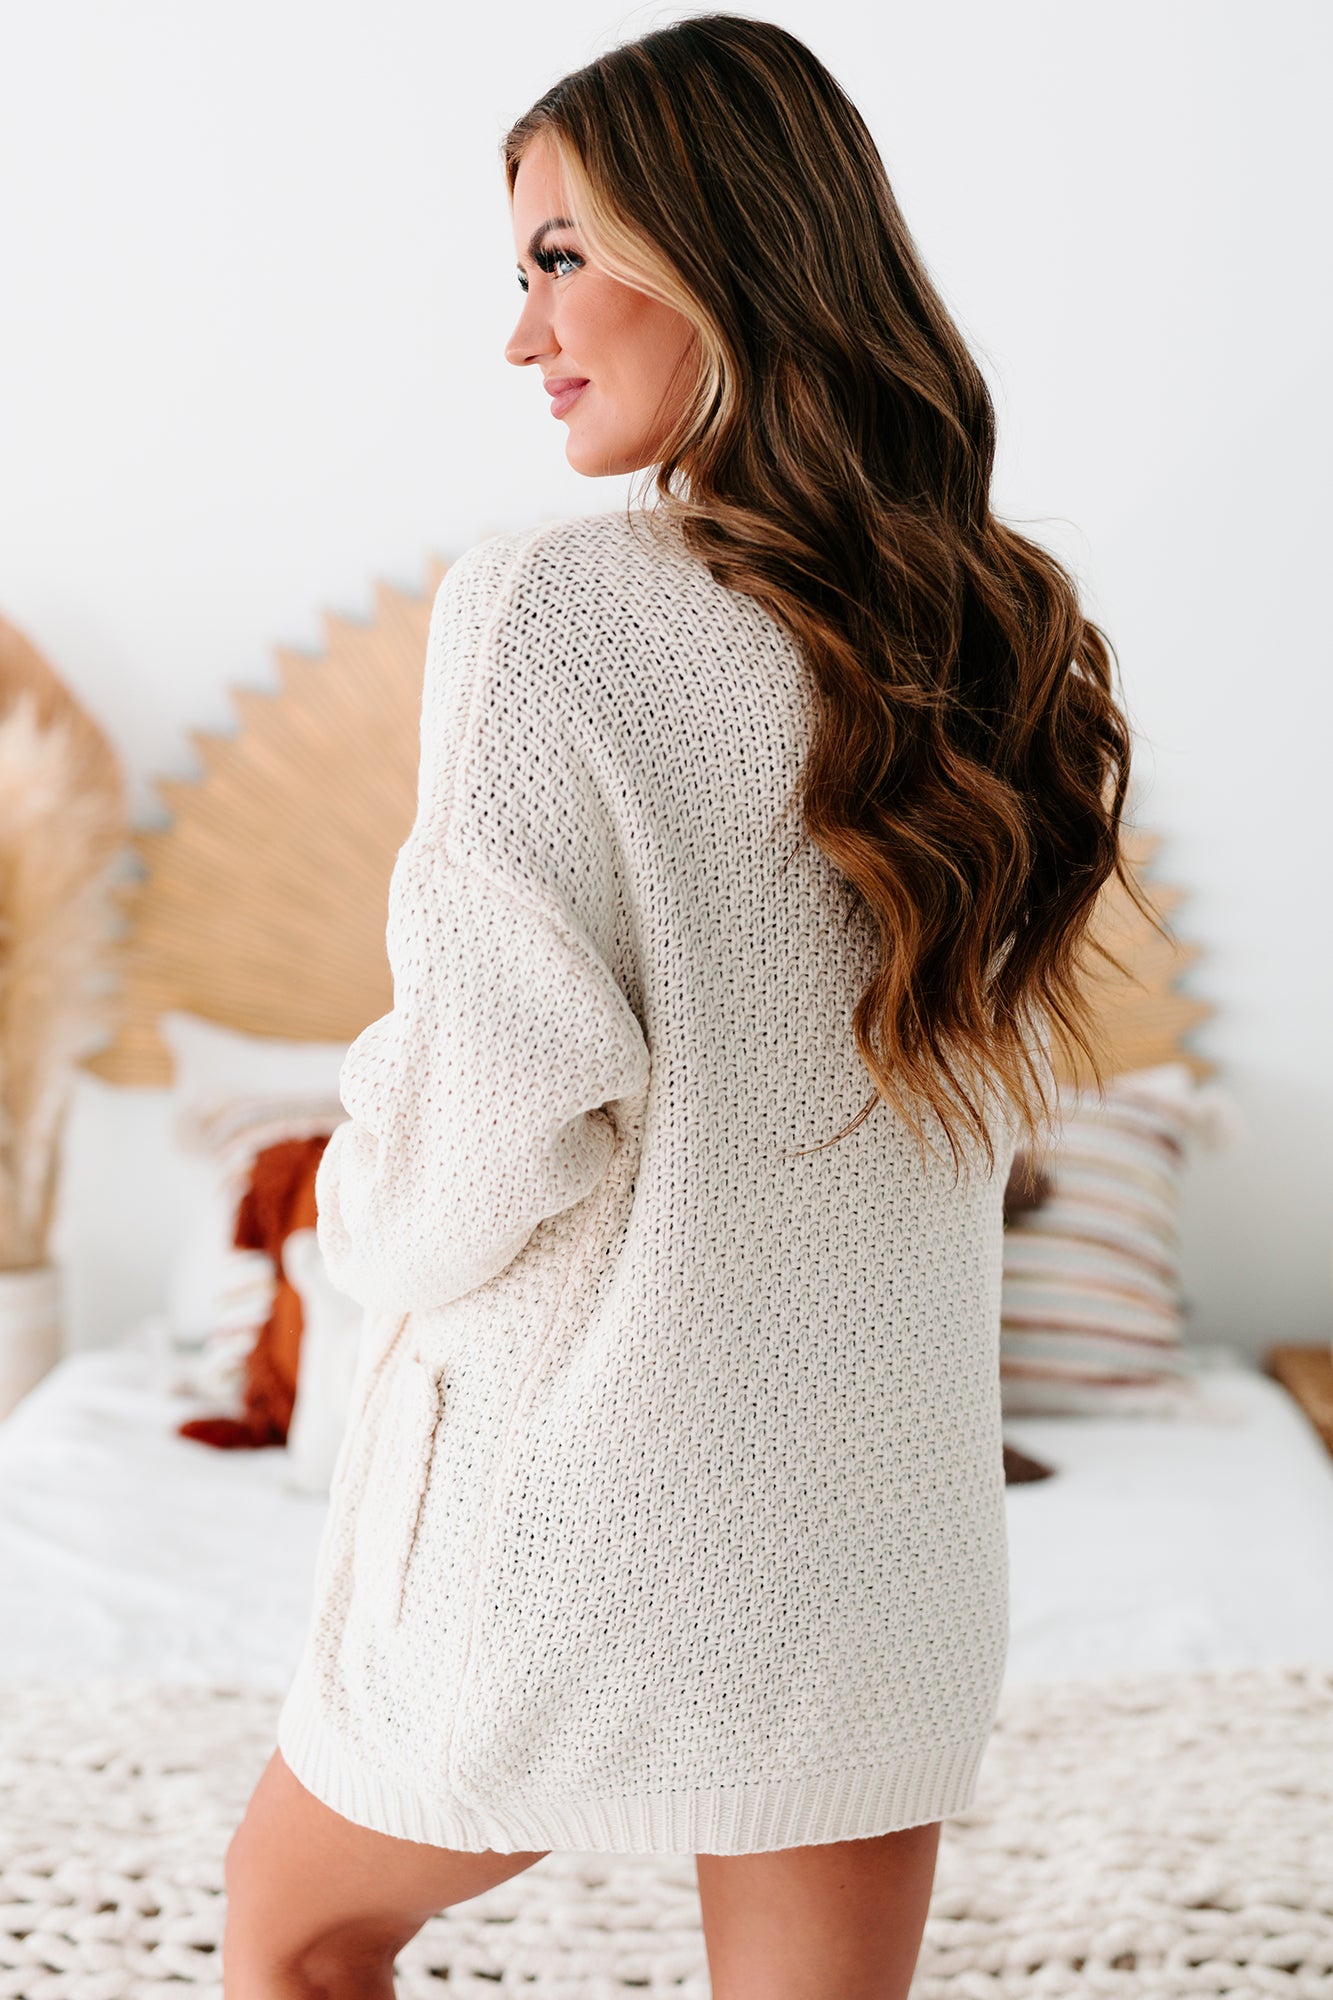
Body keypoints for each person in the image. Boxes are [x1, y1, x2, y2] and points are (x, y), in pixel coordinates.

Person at [223, 15, 1144, 1998]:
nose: (522, 333)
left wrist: (349, 1211)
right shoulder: (1009, 627)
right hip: (876, 1541)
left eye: (559, 257)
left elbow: (487, 1115)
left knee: (297, 1934)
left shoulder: (549, 609)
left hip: (577, 1519)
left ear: (718, 244)